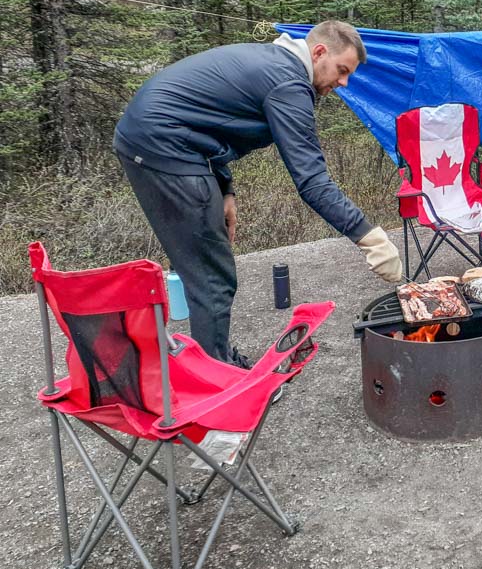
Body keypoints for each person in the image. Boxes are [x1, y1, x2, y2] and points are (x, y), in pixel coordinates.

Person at [114, 21, 402, 367]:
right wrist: (368, 237)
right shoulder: (288, 83)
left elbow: (207, 119)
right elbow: (311, 179)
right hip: (163, 148)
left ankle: (211, 361)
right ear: (319, 52)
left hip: (162, 142)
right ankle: (215, 377)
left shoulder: (276, 64)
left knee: (206, 265)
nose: (343, 83)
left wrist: (225, 189)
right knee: (211, 275)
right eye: (342, 71)